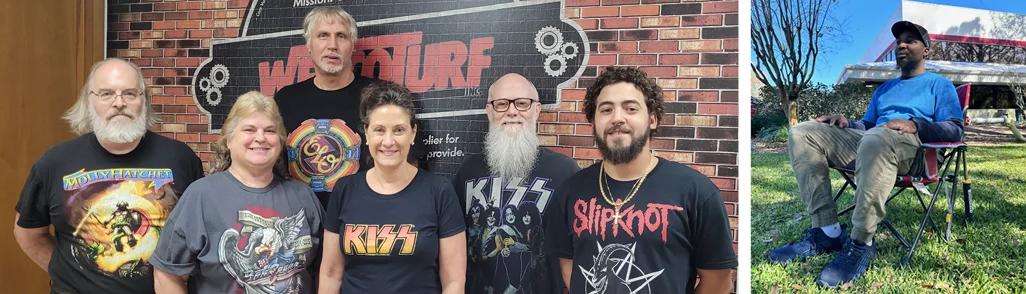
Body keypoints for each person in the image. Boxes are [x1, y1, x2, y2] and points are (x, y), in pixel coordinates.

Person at [769, 20, 964, 288]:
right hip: (873, 141)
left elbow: (954, 130)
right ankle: (827, 231)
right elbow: (868, 127)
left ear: (926, 51)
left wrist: (915, 125)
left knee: (877, 137)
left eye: (910, 40)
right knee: (803, 131)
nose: (902, 45)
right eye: (898, 42)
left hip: (915, 150)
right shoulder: (884, 90)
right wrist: (848, 123)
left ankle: (861, 242)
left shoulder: (939, 86)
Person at [13, 58, 204, 293]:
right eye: (106, 94)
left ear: (144, 100)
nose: (119, 103)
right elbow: (29, 234)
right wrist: (68, 275)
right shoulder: (54, 162)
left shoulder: (181, 158)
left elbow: (200, 235)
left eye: (130, 94)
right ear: (89, 101)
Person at [545, 67, 737, 293]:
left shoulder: (696, 192)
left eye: (630, 108)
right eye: (606, 110)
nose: (617, 118)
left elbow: (719, 282)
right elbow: (569, 270)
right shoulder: (569, 192)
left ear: (652, 119)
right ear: (594, 123)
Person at [150, 91, 324, 293]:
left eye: (269, 130)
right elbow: (167, 275)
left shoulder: (303, 196)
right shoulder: (201, 196)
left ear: (280, 141)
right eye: (249, 129)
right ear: (228, 140)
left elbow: (327, 271)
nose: (260, 138)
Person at [318, 81, 466, 293]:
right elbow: (330, 274)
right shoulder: (345, 190)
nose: (389, 141)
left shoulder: (439, 191)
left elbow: (453, 281)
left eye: (399, 130)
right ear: (366, 134)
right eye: (379, 130)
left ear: (413, 133)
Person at [274, 6, 425, 208]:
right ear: (309, 44)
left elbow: (410, 164)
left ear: (352, 45)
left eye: (341, 36)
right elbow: (273, 167)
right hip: (301, 221)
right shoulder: (286, 99)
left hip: (365, 219)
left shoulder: (381, 97)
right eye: (323, 36)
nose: (332, 45)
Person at [453, 73, 579, 293]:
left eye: (522, 103)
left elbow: (579, 249)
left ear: (537, 110)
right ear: (489, 111)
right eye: (501, 104)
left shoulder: (565, 171)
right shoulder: (467, 171)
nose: (512, 111)